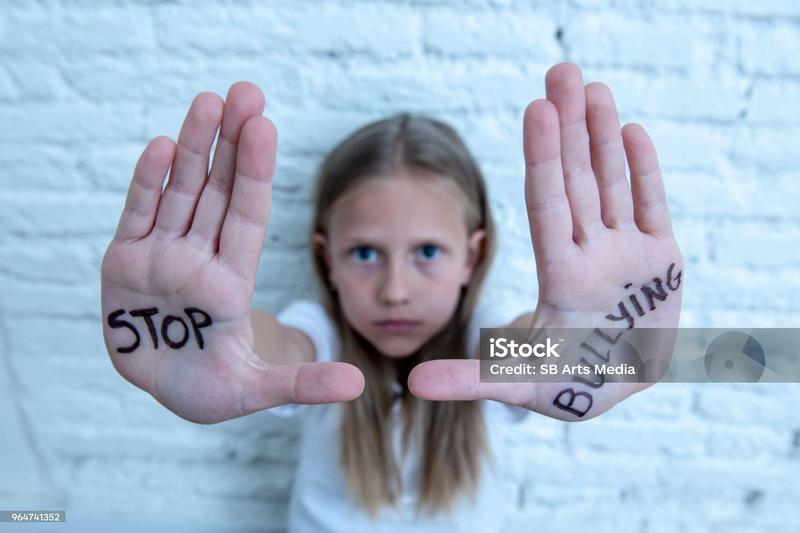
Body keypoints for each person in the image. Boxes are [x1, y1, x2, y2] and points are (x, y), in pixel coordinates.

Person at [100, 62, 684, 531]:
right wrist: (205, 335)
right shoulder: (321, 337)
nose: (396, 291)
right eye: (365, 254)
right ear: (327, 259)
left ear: (472, 257)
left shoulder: (486, 347)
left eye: (427, 252)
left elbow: (532, 348)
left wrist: (605, 343)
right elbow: (272, 349)